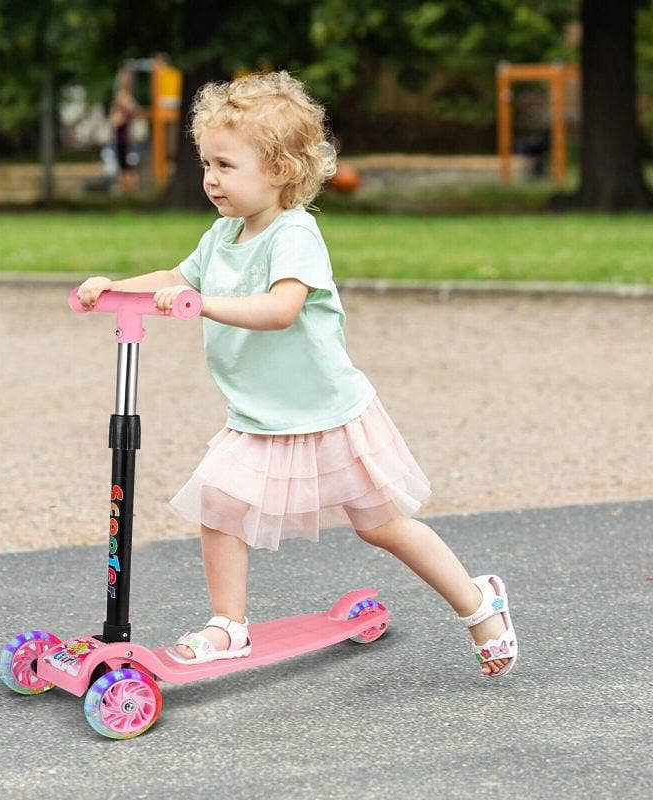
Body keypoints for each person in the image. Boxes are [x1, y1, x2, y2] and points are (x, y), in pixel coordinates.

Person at [77, 71, 517, 677]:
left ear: (280, 170)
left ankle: (478, 602)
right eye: (206, 163)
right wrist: (114, 288)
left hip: (327, 411)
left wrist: (204, 306)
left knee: (383, 526)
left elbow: (281, 310)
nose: (210, 178)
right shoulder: (223, 235)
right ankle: (227, 627)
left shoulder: (294, 235)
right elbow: (179, 279)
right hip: (259, 415)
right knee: (221, 504)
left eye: (226, 166)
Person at [110, 66, 139, 193]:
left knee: (126, 167)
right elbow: (115, 120)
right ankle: (126, 191)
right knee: (123, 166)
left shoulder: (125, 98)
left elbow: (131, 111)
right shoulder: (121, 98)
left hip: (126, 138)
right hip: (120, 137)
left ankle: (129, 191)